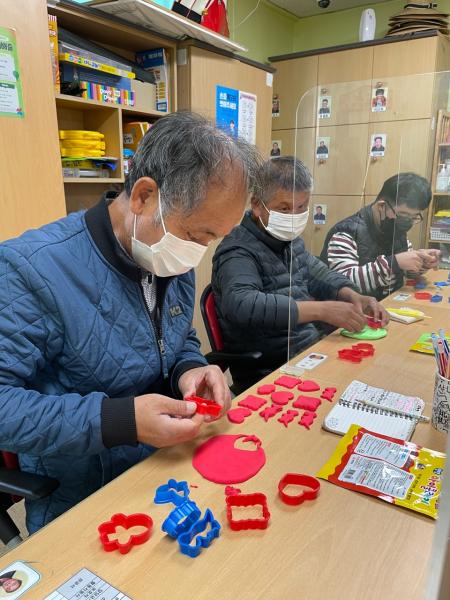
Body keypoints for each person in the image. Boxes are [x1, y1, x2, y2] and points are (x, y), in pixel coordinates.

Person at [0, 112, 260, 533]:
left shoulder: (168, 252)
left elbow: (176, 337)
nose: (201, 252)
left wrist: (190, 369)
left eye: (214, 239)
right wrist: (122, 421)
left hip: (166, 467)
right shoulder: (31, 269)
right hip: (86, 496)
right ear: (143, 196)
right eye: (199, 236)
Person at [211, 157, 388, 393]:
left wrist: (352, 295)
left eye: (302, 207)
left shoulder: (289, 241)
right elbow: (242, 304)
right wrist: (321, 310)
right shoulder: (237, 250)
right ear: (257, 205)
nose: (294, 215)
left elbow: (319, 273)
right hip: (271, 367)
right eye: (284, 208)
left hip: (309, 349)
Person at [320, 172, 440, 300]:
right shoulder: (346, 233)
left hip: (386, 303)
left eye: (414, 216)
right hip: (349, 308)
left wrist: (422, 261)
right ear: (381, 206)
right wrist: (394, 263)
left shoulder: (395, 228)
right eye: (403, 215)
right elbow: (343, 284)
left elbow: (405, 270)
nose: (407, 221)